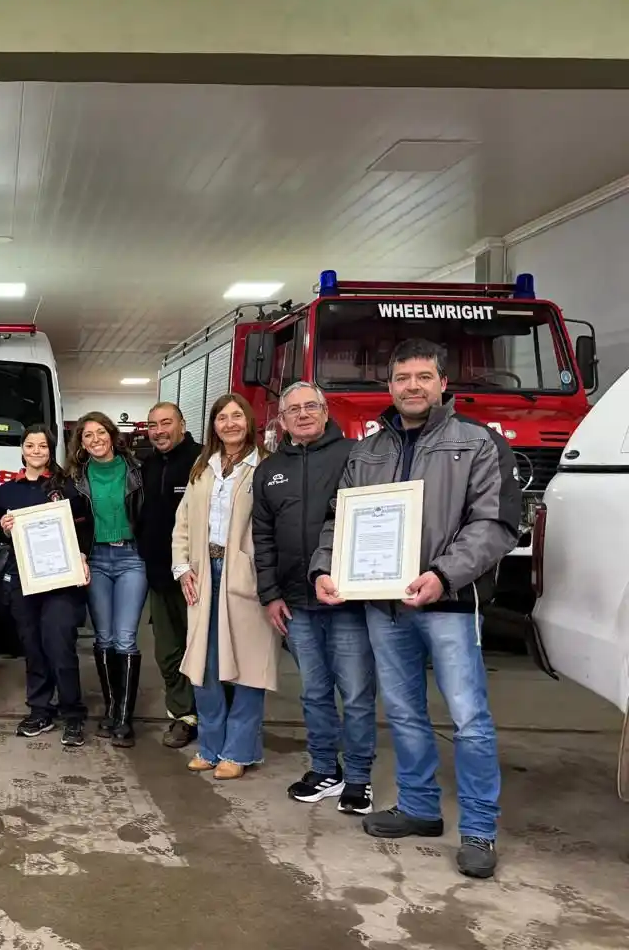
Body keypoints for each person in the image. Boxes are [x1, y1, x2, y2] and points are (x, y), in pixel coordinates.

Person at [311, 338, 520, 880]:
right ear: (390, 386)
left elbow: (496, 524)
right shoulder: (368, 451)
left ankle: (479, 828)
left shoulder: (478, 443)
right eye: (402, 378)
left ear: (443, 383)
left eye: (423, 377)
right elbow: (340, 520)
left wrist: (443, 575)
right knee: (403, 712)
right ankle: (420, 807)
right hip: (385, 605)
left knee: (469, 719)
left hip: (449, 603)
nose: (412, 387)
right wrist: (325, 568)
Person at [252, 382, 376, 814]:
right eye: (294, 410)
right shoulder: (269, 470)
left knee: (356, 692)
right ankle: (325, 769)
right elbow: (262, 536)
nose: (303, 415)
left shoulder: (356, 456)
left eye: (311, 407)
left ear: (325, 412)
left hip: (345, 600)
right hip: (295, 602)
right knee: (315, 692)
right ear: (282, 421)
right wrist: (270, 593)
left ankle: (358, 777)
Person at [171, 394, 277, 779]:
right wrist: (183, 567)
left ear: (249, 421)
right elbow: (183, 521)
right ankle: (211, 746)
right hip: (204, 572)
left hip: (246, 577)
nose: (229, 423)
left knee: (248, 667)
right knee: (205, 664)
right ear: (213, 425)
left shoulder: (265, 465)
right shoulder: (204, 466)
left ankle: (239, 752)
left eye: (236, 416)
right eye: (221, 418)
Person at [0, 426, 94, 747]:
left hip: (61, 580)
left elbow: (85, 528)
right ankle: (40, 709)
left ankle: (72, 713)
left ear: (51, 450)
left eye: (43, 446)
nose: (36, 451)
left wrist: (82, 557)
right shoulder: (7, 491)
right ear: (22, 450)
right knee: (33, 646)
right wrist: (3, 527)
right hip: (23, 578)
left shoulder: (67, 488)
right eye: (30, 445)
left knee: (59, 643)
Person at [67, 411, 145, 748]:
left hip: (132, 558)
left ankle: (125, 719)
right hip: (95, 559)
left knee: (125, 638)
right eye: (87, 435)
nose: (95, 439)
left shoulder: (137, 471)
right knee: (104, 637)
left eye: (100, 432)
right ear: (81, 444)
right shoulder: (76, 478)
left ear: (112, 436)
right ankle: (112, 708)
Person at [135, 401, 203, 748]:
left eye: (166, 423)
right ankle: (183, 715)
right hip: (159, 575)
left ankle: (211, 715)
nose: (159, 431)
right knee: (168, 651)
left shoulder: (202, 460)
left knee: (201, 647)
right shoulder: (146, 466)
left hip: (195, 575)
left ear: (182, 424)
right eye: (153, 425)